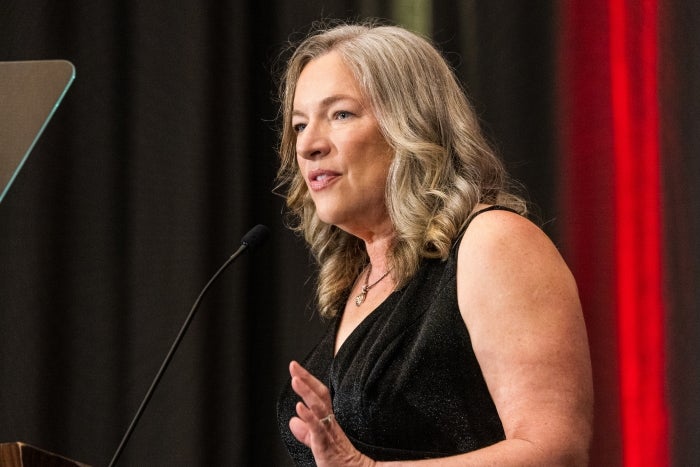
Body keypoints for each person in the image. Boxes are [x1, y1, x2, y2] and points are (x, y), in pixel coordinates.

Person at [274, 19, 593, 466]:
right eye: (300, 124)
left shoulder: (494, 243)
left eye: (340, 114)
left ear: (410, 124)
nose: (308, 145)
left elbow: (556, 451)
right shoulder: (360, 280)